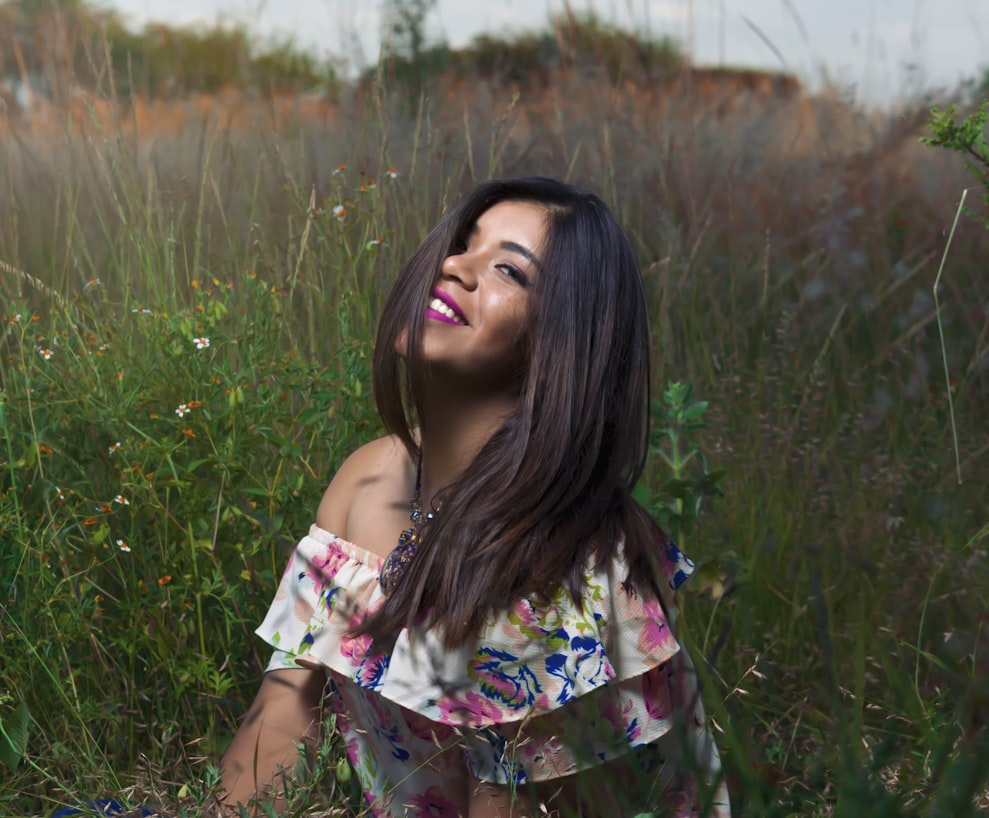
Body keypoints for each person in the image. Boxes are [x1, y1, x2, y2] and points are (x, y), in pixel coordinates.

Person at [210, 176, 731, 817]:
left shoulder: (567, 572)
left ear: (561, 342)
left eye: (508, 269)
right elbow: (284, 713)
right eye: (463, 243)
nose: (455, 266)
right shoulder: (368, 479)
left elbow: (511, 805)